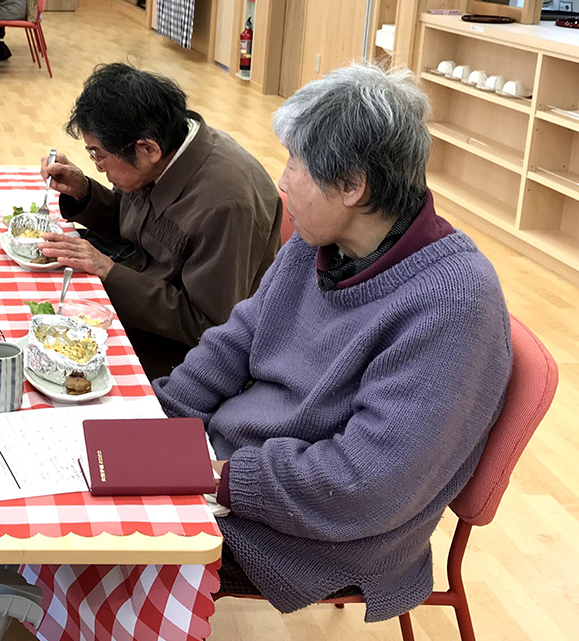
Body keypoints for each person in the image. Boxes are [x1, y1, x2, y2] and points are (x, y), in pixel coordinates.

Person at [154, 64, 512, 622]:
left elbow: (366, 485)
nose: (283, 179)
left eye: (296, 163)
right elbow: (240, 336)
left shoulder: (453, 301)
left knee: (101, 546)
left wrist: (218, 477)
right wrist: (158, 418)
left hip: (316, 533)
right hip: (237, 471)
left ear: (351, 186)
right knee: (74, 482)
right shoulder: (324, 238)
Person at [40, 65, 281, 377]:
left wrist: (108, 272)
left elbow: (206, 325)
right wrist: (85, 191)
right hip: (140, 286)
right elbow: (133, 226)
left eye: (99, 156)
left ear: (147, 149)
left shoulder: (225, 204)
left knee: (58, 359)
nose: (99, 167)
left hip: (180, 353)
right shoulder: (166, 152)